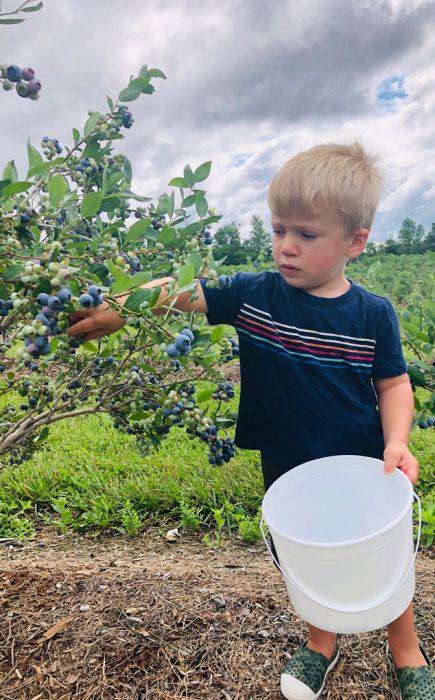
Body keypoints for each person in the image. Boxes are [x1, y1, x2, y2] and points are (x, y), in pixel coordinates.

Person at [67, 141, 434, 700]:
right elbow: (180, 293)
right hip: (288, 463)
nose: (286, 246)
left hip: (364, 462)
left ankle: (406, 649)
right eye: (278, 229)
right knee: (308, 556)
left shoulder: (372, 314)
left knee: (379, 556)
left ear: (354, 243)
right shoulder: (254, 296)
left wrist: (398, 440)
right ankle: (320, 642)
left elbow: (393, 383)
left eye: (306, 235)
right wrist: (121, 306)